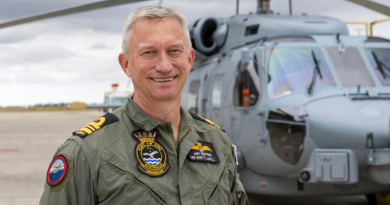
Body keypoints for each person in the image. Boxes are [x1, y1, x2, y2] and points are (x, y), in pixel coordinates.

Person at [40, 6, 248, 205]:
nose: (165, 66)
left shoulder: (217, 142)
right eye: (149, 52)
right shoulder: (86, 152)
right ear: (126, 65)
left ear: (190, 59)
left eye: (174, 50)